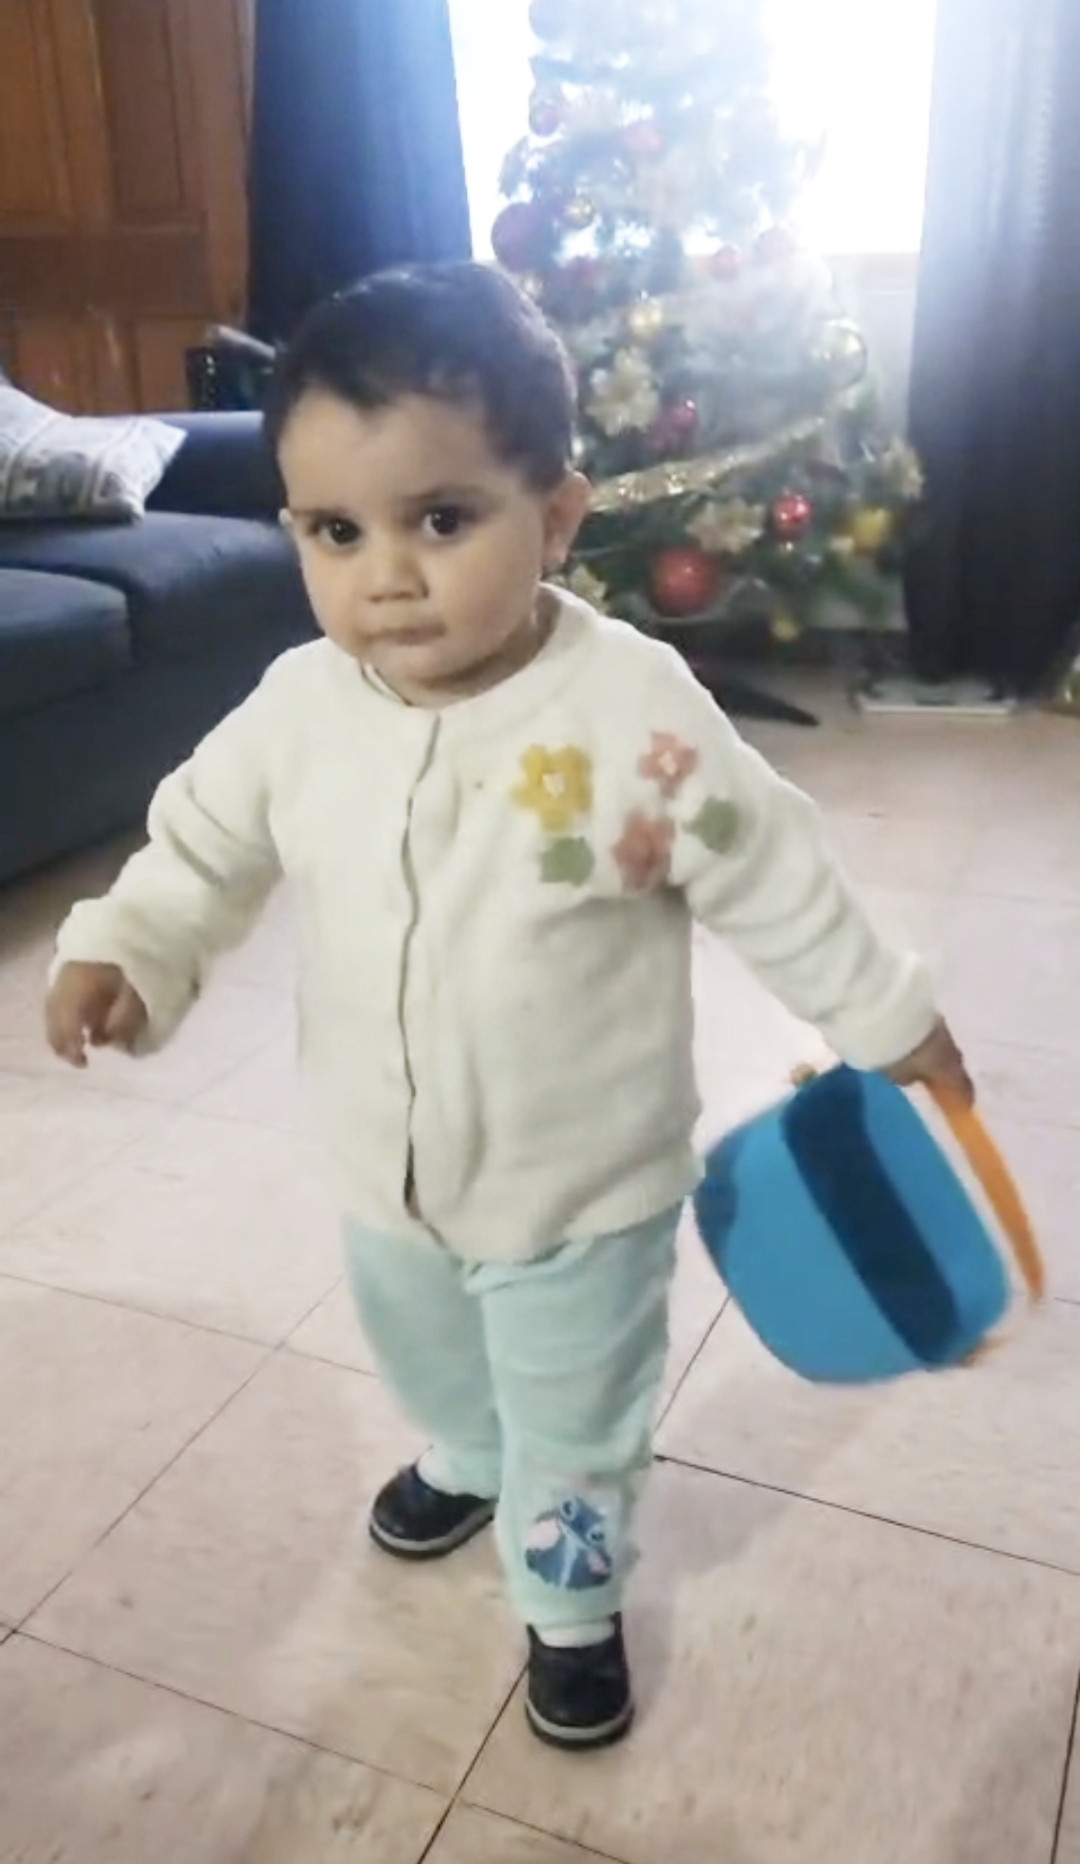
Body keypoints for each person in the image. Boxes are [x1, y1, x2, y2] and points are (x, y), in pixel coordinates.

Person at [44, 262, 972, 1752]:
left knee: (577, 1411)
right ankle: (471, 1454)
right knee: (425, 1350)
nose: (386, 577)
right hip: (385, 1165)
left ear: (557, 517)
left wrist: (883, 1013)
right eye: (335, 532)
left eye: (441, 520)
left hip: (579, 1182)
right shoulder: (298, 709)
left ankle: (570, 1597)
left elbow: (771, 869)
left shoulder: (631, 713)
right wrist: (130, 949)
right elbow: (200, 848)